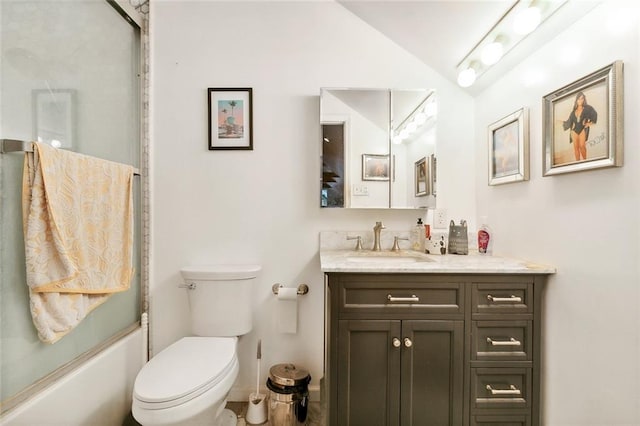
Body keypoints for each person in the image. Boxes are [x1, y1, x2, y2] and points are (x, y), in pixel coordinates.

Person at [562, 91, 597, 161]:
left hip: (582, 130)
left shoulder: (587, 109)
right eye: (579, 99)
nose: (580, 100)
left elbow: (594, 115)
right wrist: (560, 122)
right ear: (576, 100)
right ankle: (577, 163)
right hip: (574, 131)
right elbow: (568, 122)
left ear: (584, 99)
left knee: (582, 146)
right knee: (576, 148)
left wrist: (589, 123)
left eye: (582, 98)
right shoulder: (573, 111)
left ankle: (585, 162)